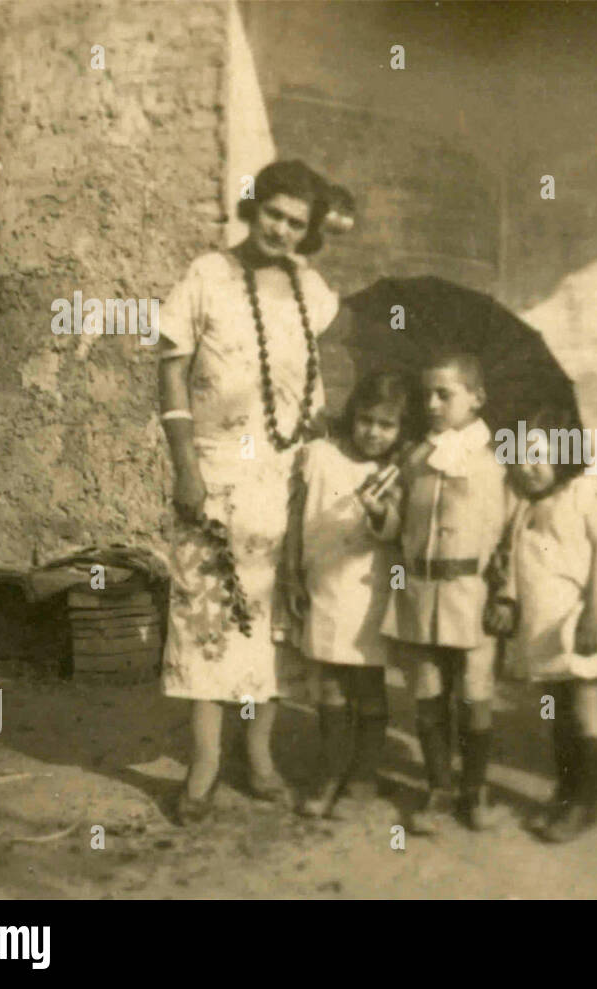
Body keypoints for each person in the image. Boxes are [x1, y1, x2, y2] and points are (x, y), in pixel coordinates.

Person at [158, 160, 353, 826]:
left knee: (275, 626)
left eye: (298, 223)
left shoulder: (311, 290)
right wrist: (185, 466)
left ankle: (260, 755)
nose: (283, 229)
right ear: (254, 207)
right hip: (213, 476)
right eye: (274, 213)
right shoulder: (205, 276)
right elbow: (172, 373)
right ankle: (205, 764)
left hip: (285, 481)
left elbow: (315, 390)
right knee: (207, 618)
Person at [364, 353, 507, 832]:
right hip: (421, 590)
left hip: (473, 592)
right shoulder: (414, 458)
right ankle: (438, 786)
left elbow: (510, 536)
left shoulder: (494, 462)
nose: (431, 403)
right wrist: (379, 512)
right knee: (426, 689)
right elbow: (395, 528)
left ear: (477, 398)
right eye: (426, 394)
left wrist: (506, 593)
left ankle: (475, 789)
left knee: (473, 691)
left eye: (444, 394)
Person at [484, 403, 597, 842]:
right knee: (558, 715)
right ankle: (567, 792)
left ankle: (586, 804)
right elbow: (514, 560)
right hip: (543, 629)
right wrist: (507, 598)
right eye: (521, 456)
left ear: (565, 452)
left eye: (540, 455)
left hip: (579, 624)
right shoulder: (526, 507)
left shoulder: (586, 495)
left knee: (586, 710)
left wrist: (595, 609)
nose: (529, 467)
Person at [282, 371, 417, 822]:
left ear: (401, 429)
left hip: (368, 591)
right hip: (322, 585)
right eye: (365, 420)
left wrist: (382, 513)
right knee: (330, 687)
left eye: (387, 424)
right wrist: (291, 574)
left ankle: (362, 775)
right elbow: (298, 514)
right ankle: (330, 772)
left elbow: (398, 532)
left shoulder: (393, 472)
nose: (374, 432)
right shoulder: (318, 455)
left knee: (368, 686)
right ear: (351, 415)